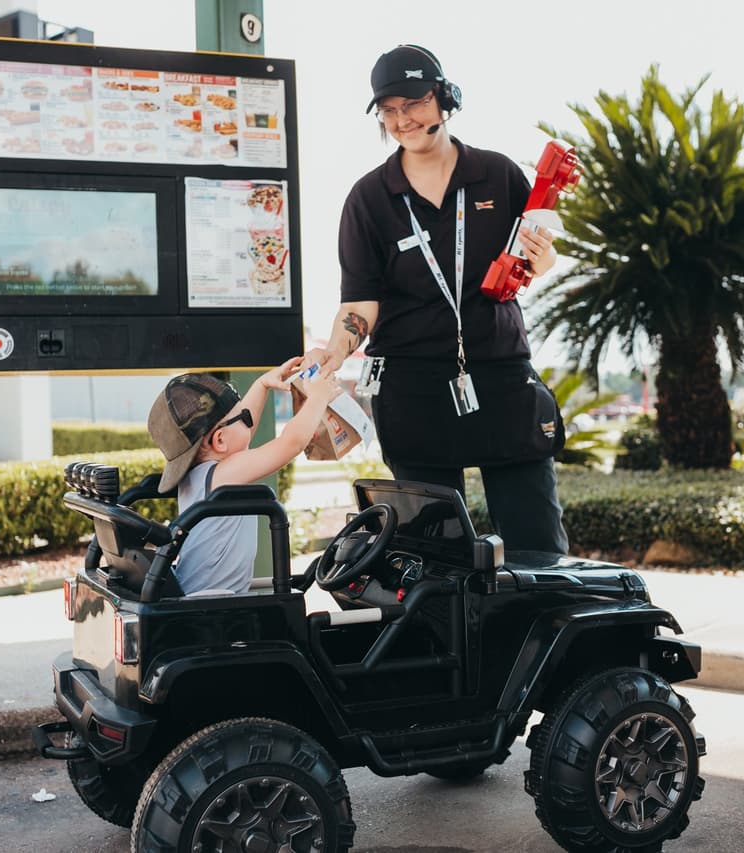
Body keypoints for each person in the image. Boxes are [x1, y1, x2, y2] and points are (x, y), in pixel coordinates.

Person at [305, 44, 569, 554]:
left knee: (537, 543)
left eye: (414, 103)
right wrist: (333, 356)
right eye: (389, 110)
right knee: (429, 554)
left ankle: (538, 630)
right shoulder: (368, 199)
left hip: (500, 378)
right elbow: (360, 301)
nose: (402, 120)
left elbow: (541, 260)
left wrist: (542, 258)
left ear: (445, 99)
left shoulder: (499, 175)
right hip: (412, 388)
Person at [146, 358, 341, 593]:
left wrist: (262, 386)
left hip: (196, 596)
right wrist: (318, 397)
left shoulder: (198, 474)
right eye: (245, 418)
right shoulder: (223, 475)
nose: (250, 423)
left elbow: (238, 429)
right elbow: (291, 444)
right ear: (219, 440)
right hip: (214, 609)